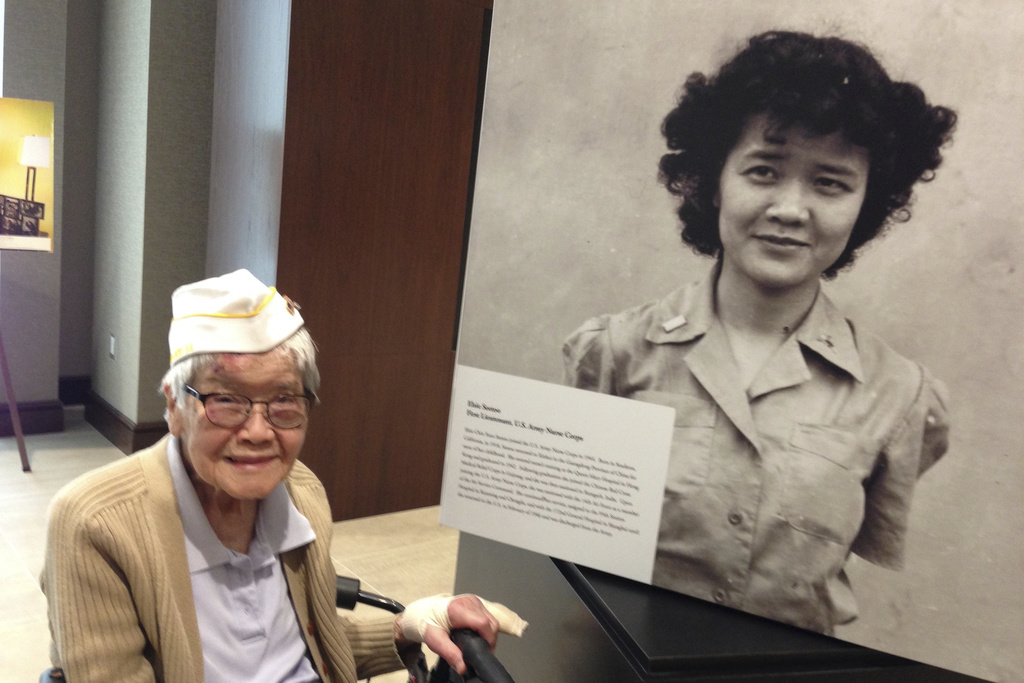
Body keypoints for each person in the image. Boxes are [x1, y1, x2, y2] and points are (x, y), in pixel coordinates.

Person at [562, 30, 956, 635]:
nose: (791, 208)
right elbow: (570, 548)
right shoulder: (614, 352)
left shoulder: (902, 395)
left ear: (866, 202)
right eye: (764, 170)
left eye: (830, 182)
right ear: (713, 179)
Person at [42, 269, 526, 682]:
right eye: (225, 400)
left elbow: (306, 649)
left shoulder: (301, 495)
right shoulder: (95, 524)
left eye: (283, 400)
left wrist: (414, 623)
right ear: (174, 407)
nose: (258, 431)